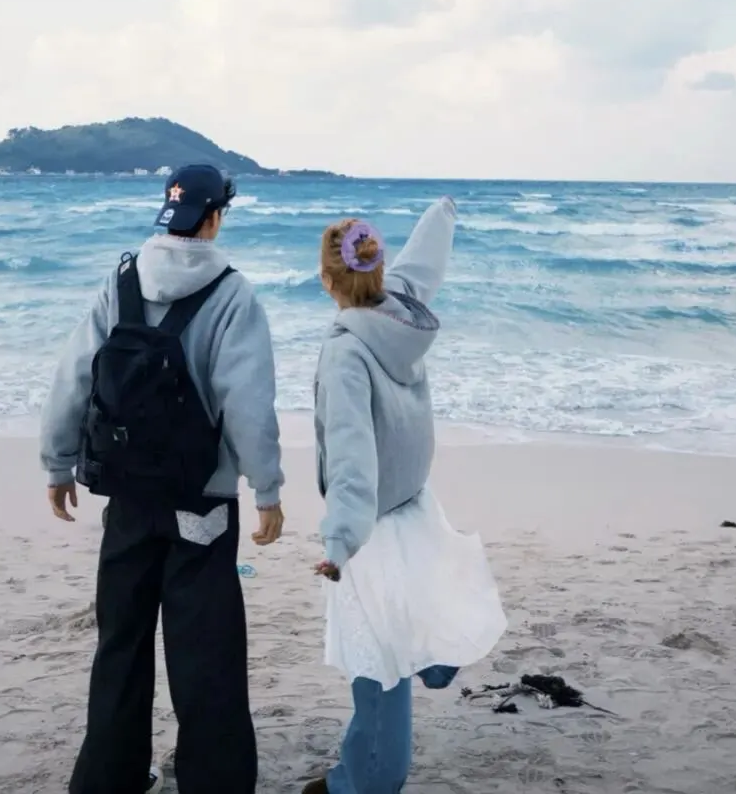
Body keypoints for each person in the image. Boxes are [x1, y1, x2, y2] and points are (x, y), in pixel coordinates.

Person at [40, 163, 286, 794]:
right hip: (201, 500)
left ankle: (109, 777)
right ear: (214, 218)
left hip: (127, 494)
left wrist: (57, 462)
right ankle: (214, 781)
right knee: (205, 650)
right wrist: (267, 488)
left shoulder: (121, 280)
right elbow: (247, 403)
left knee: (120, 643)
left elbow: (74, 375)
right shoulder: (233, 294)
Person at [303, 197, 507, 794]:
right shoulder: (399, 315)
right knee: (405, 638)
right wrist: (442, 215)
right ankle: (437, 664)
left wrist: (339, 542)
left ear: (327, 281)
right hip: (415, 506)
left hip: (372, 529)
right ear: (378, 270)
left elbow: (352, 458)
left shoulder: (346, 351)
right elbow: (424, 268)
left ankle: (364, 782)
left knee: (378, 669)